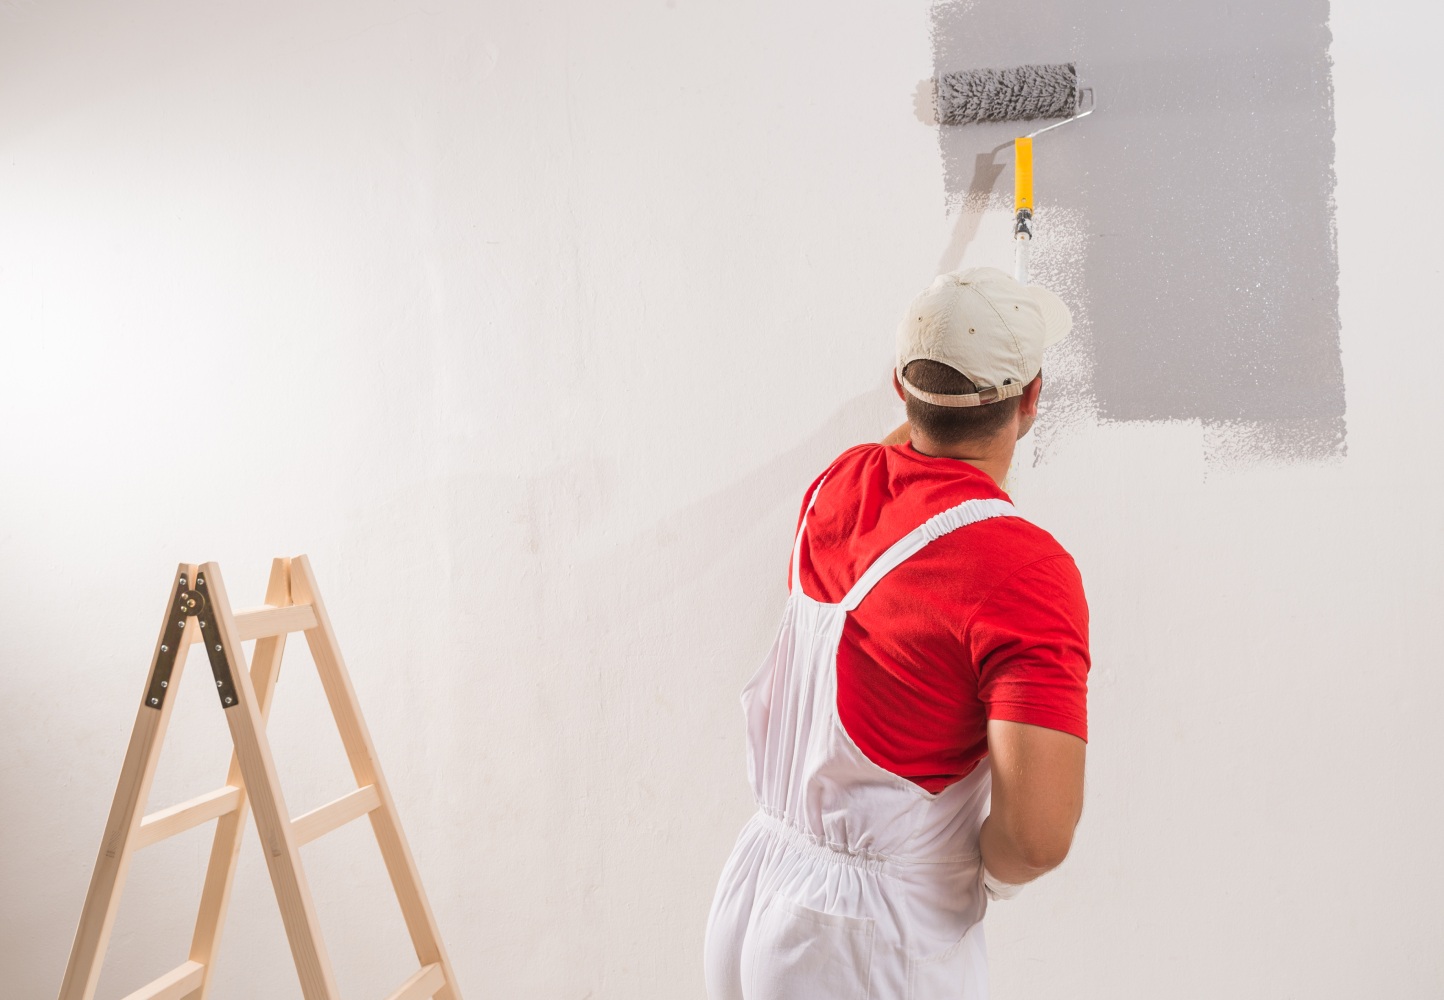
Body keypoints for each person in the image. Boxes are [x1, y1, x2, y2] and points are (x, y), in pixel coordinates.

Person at [704, 266, 1090, 999]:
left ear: (900, 389)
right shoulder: (1025, 574)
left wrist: (950, 343)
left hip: (756, 900)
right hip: (872, 947)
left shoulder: (840, 485)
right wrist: (994, 881)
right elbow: (1037, 837)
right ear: (1034, 397)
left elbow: (906, 450)